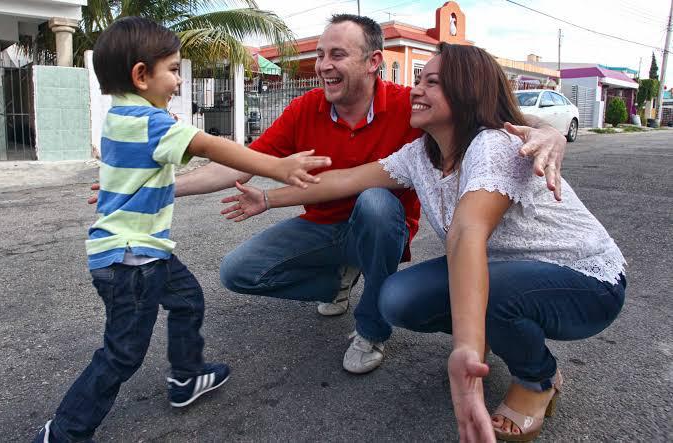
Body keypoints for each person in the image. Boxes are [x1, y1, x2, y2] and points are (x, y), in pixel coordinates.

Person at [89, 14, 566, 375]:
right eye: (320, 55)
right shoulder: (305, 108)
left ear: (373, 62)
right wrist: (154, 183)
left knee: (377, 204)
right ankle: (342, 277)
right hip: (321, 228)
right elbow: (237, 160)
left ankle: (371, 328)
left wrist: (550, 132)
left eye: (337, 55)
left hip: (379, 227)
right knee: (238, 272)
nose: (323, 66)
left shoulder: (412, 106)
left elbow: (488, 108)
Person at [220, 43, 627, 442]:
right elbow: (342, 180)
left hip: (586, 283)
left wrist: (465, 350)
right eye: (418, 80)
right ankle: (500, 335)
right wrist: (269, 197)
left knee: (495, 293)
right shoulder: (420, 154)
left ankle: (538, 378)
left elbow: (468, 234)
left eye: (432, 82)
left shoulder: (493, 145)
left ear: (467, 91)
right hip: (506, 273)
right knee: (398, 298)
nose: (416, 90)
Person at [33, 17, 330, 443]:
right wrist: (278, 167)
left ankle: (187, 376)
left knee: (187, 299)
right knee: (122, 354)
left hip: (139, 253)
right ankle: (63, 432)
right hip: (134, 260)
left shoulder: (121, 115)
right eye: (172, 69)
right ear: (141, 75)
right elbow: (211, 146)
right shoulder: (155, 125)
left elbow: (148, 163)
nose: (177, 80)